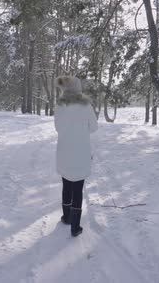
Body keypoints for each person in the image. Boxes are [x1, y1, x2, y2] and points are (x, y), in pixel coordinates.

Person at [54, 75, 98, 237]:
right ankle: (75, 226)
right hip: (81, 152)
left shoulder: (60, 107)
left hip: (65, 151)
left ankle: (66, 217)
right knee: (78, 189)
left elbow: (58, 127)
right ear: (78, 89)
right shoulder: (87, 107)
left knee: (66, 185)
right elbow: (94, 128)